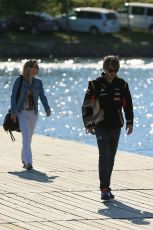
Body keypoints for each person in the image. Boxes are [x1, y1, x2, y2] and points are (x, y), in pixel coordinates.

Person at [82, 55, 134, 200]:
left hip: (116, 125)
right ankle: (104, 189)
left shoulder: (122, 84)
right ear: (105, 69)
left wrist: (130, 122)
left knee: (111, 157)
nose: (113, 73)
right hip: (100, 125)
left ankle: (107, 186)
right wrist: (89, 124)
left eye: (115, 70)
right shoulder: (95, 84)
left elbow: (128, 105)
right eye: (110, 70)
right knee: (104, 155)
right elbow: (87, 105)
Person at [10, 59, 51, 170]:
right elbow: (13, 96)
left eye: (38, 67)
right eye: (35, 67)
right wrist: (13, 112)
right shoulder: (19, 80)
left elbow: (43, 97)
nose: (38, 69)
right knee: (26, 137)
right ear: (29, 68)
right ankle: (29, 162)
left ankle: (24, 158)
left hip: (33, 113)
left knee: (29, 138)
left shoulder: (38, 82)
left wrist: (47, 108)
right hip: (21, 112)